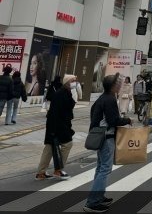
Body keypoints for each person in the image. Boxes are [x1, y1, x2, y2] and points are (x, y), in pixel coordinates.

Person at [83, 74, 132, 213]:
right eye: (118, 83)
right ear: (113, 86)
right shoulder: (110, 99)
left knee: (100, 168)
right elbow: (113, 121)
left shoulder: (102, 98)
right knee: (105, 169)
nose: (120, 85)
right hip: (107, 137)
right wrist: (127, 120)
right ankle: (92, 202)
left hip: (100, 136)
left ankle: (98, 196)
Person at [35, 74, 77, 181]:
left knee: (49, 147)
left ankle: (41, 173)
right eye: (73, 81)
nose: (75, 83)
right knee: (67, 144)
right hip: (58, 125)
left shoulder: (66, 92)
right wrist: (54, 130)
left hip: (56, 125)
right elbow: (55, 112)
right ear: (67, 82)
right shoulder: (60, 94)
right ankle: (58, 170)